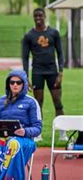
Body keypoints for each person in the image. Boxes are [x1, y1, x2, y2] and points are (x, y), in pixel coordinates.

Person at [0, 70, 42, 179]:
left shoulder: (31, 102)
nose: (15, 85)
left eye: (18, 82)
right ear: (8, 84)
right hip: (2, 138)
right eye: (12, 82)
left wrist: (25, 132)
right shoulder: (0, 101)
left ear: (24, 84)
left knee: (13, 144)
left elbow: (38, 128)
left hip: (24, 141)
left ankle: (6, 177)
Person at [22, 7, 66, 141]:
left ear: (45, 16)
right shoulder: (29, 36)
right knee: (38, 103)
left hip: (52, 71)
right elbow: (24, 57)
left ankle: (62, 133)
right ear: (33, 18)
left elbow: (60, 53)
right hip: (37, 72)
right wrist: (26, 77)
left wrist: (61, 72)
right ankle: (38, 133)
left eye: (40, 15)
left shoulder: (54, 33)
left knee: (57, 102)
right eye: (36, 16)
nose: (38, 18)